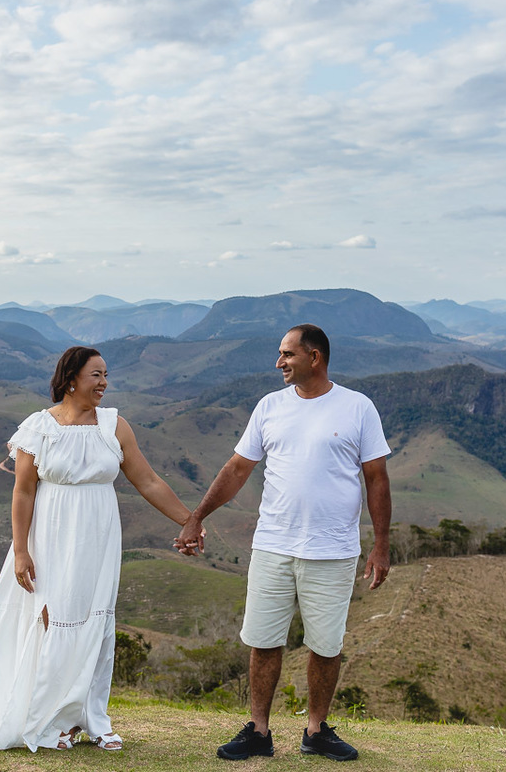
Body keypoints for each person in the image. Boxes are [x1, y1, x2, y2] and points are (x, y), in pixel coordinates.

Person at [0, 346, 200, 752]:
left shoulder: (115, 426)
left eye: (106, 375)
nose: (104, 383)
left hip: (99, 535)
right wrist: (21, 551)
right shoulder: (39, 428)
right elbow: (22, 492)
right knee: (54, 619)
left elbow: (149, 481)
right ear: (71, 379)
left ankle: (92, 718)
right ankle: (54, 721)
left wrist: (189, 521)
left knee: (95, 621)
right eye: (96, 375)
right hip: (50, 535)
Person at [176, 324, 392, 762]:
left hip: (332, 550)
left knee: (325, 645)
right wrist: (196, 517)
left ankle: (316, 731)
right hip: (273, 544)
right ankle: (258, 730)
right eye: (280, 354)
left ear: (314, 357)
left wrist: (381, 544)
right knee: (264, 640)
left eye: (287, 354)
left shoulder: (357, 408)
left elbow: (376, 479)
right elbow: (238, 468)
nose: (279, 363)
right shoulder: (270, 407)